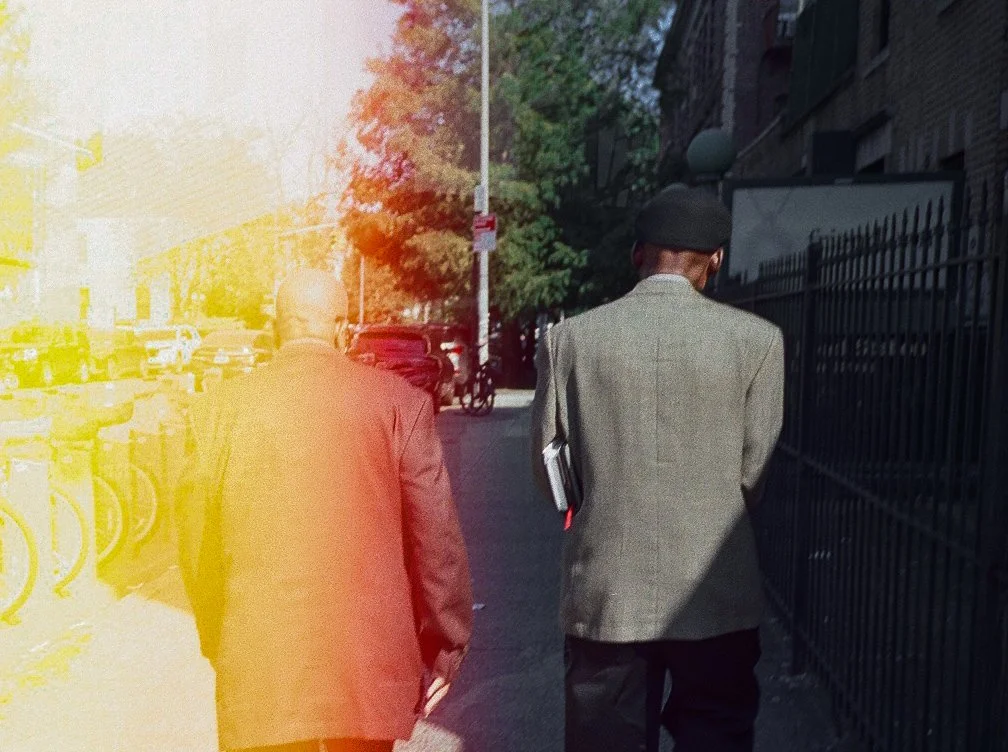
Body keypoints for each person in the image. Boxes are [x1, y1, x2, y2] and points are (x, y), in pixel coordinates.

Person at [530, 185, 785, 752]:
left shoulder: (570, 340)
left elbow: (551, 471)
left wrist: (596, 500)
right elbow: (753, 475)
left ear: (637, 254)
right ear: (715, 259)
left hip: (607, 592)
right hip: (716, 592)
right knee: (716, 737)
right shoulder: (759, 342)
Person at [175, 269, 473, 752]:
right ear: (341, 329)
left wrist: (218, 637)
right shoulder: (400, 404)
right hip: (365, 665)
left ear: (276, 326)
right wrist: (446, 645)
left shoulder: (216, 411)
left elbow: (196, 545)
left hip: (260, 660)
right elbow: (434, 538)